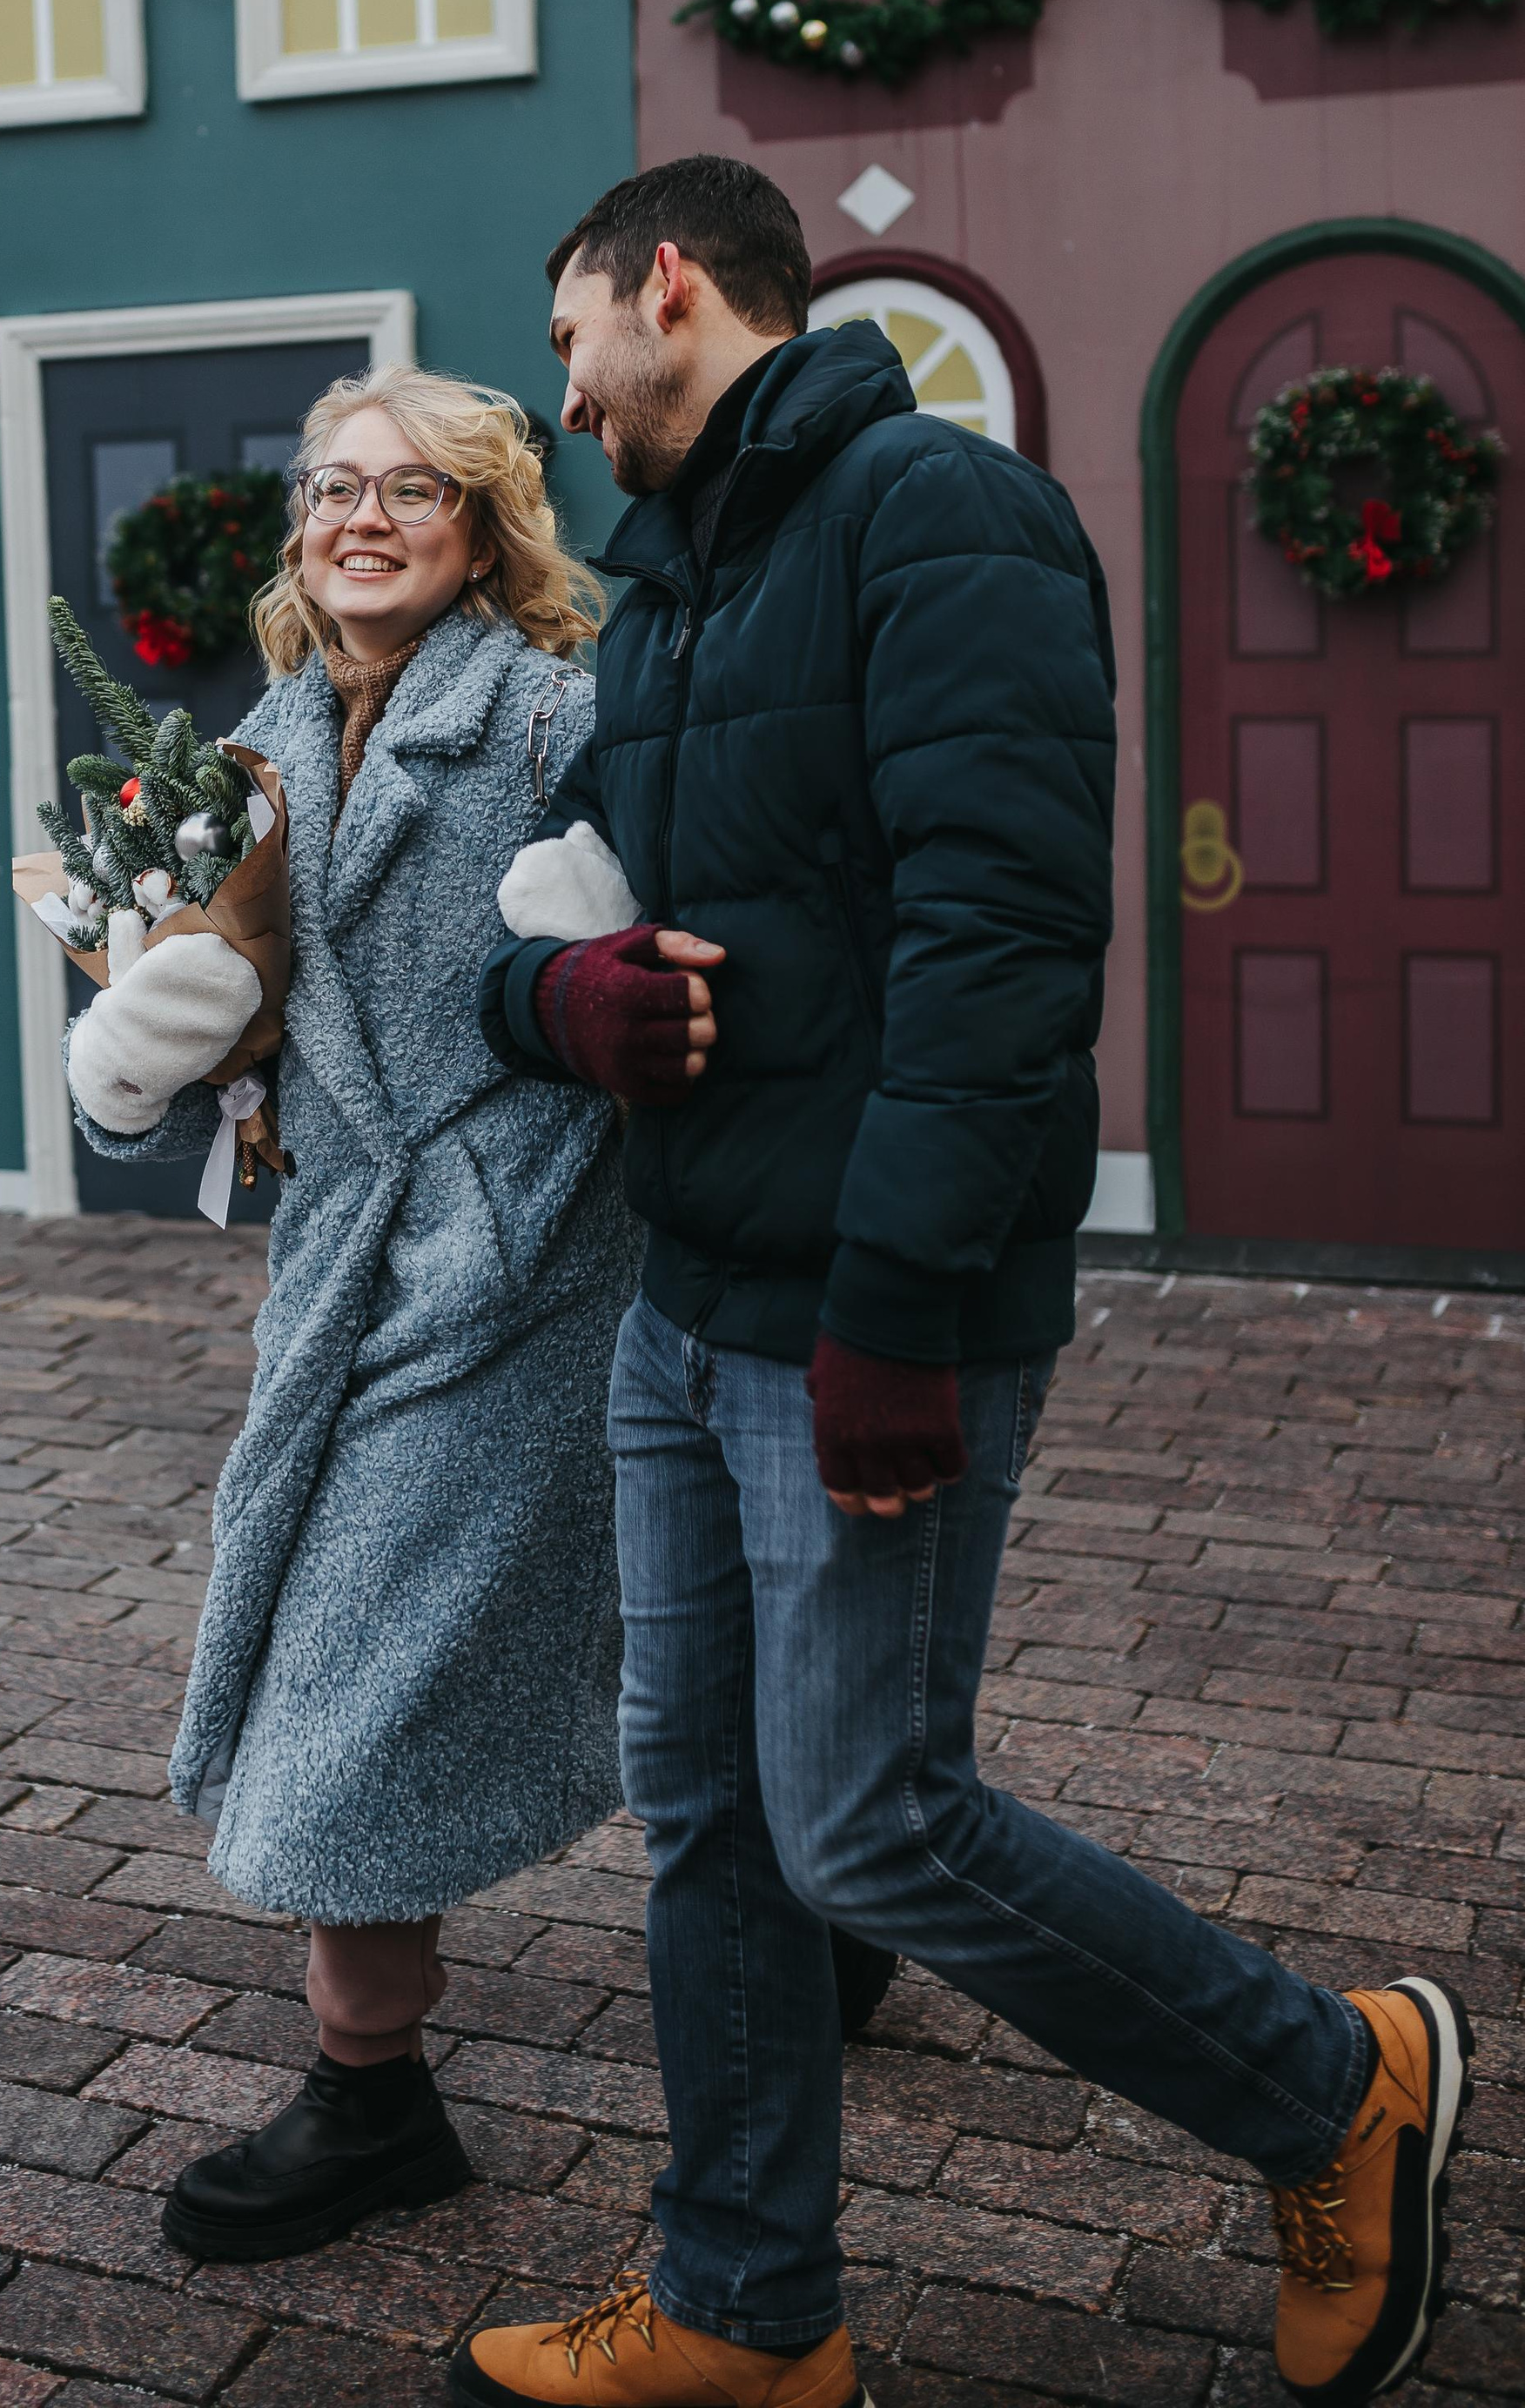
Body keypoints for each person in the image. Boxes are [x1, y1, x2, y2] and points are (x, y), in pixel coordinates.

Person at [458, 159, 1469, 2408]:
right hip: (685, 1307)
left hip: (863, 1315)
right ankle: (743, 2311)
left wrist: (898, 1308)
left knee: (868, 1819)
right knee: (711, 1818)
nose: (565, 394)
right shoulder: (663, 597)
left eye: (569, 340)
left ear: (673, 288)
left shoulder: (938, 518)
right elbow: (570, 923)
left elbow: (1006, 954)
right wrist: (571, 1007)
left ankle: (1337, 2089)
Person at [60, 365, 642, 2265]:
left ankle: (368, 2100)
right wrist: (148, 1042)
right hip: (338, 1261)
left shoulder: (555, 716)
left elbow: (646, 994)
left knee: (357, 1677)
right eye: (331, 490)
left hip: (517, 1267)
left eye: (408, 491)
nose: (359, 518)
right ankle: (829, 1900)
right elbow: (236, 1015)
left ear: (482, 531)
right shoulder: (263, 740)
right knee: (639, 1634)